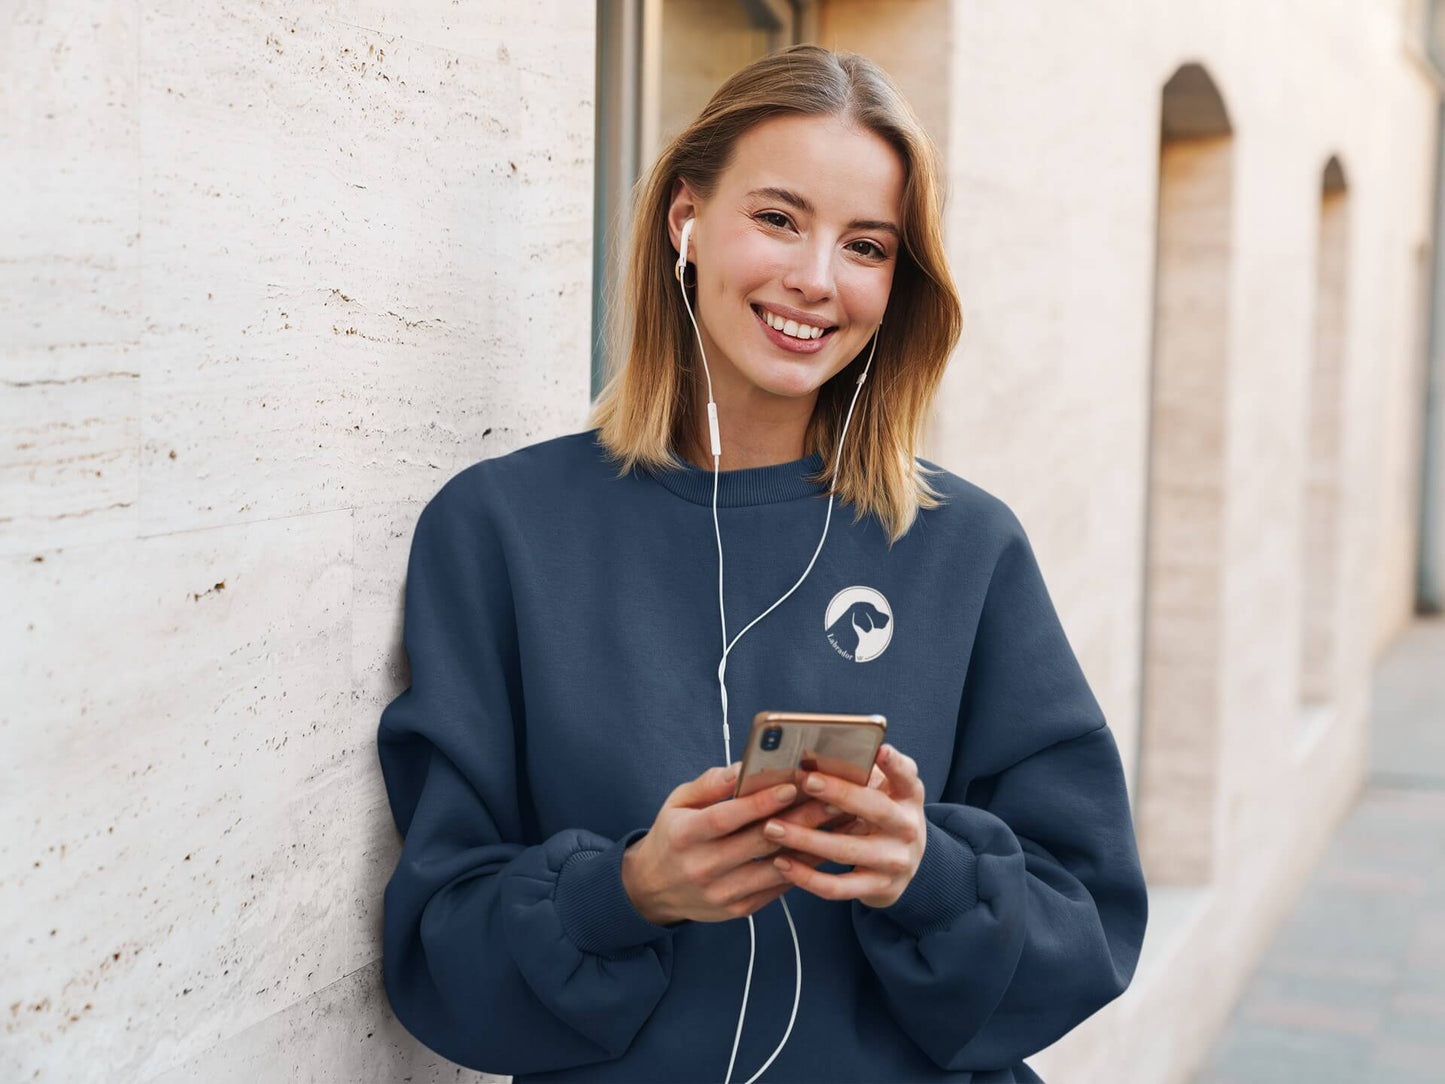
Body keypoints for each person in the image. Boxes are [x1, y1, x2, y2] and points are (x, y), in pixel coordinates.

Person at [376, 43, 1148, 1084]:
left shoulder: (965, 546)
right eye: (779, 218)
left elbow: (1089, 926)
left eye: (866, 245)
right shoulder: (499, 530)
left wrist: (923, 872)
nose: (815, 279)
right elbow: (437, 954)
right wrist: (632, 889)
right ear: (684, 219)